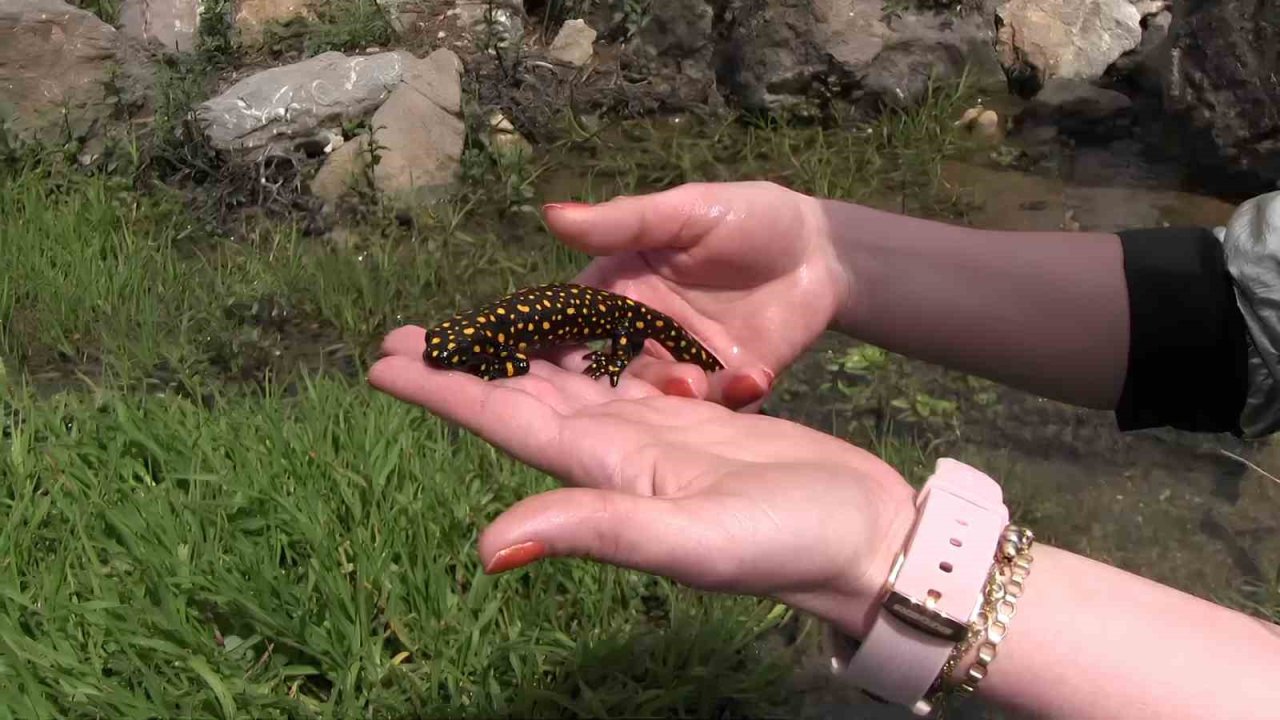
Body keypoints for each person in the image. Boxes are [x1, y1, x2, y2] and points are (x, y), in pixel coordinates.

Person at [368, 182, 1280, 718]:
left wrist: (903, 560)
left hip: (613, 325)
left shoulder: (520, 334)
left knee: (608, 331)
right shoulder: (487, 334)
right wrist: (830, 259)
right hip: (605, 322)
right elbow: (1243, 309)